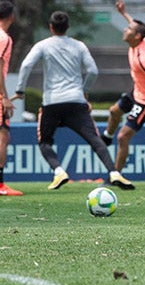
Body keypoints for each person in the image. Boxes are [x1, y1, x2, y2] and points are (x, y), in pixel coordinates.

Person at [13, 11, 134, 190]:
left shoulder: (43, 45)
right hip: (76, 101)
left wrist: (20, 90)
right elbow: (93, 70)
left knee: (45, 142)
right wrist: (84, 91)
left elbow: (26, 65)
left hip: (51, 102)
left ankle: (59, 171)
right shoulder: (78, 46)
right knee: (94, 139)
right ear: (68, 27)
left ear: (51, 27)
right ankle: (114, 172)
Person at [100, 0, 145, 176]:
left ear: (136, 37)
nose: (125, 30)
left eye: (128, 30)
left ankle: (115, 176)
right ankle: (107, 138)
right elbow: (134, 24)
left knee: (123, 137)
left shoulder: (144, 58)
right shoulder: (140, 39)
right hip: (136, 92)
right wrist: (123, 12)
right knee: (113, 112)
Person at [0, 1, 21, 196]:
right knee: (3, 135)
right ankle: (0, 185)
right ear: (11, 17)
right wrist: (5, 97)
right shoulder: (4, 38)